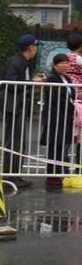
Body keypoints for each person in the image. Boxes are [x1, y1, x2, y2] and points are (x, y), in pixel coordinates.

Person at [0, 34, 43, 188]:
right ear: (30, 47)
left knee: (19, 140)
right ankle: (10, 176)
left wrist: (34, 79)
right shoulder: (16, 61)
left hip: (20, 105)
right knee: (14, 140)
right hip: (13, 106)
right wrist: (32, 81)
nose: (37, 49)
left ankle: (16, 174)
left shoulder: (27, 62)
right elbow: (11, 84)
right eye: (36, 46)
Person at [41, 52, 77, 189]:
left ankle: (61, 173)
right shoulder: (52, 79)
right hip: (55, 118)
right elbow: (56, 99)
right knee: (54, 145)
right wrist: (71, 104)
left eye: (67, 62)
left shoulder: (68, 79)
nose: (65, 65)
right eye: (61, 63)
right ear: (54, 65)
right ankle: (52, 176)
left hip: (67, 118)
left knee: (63, 145)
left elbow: (71, 96)